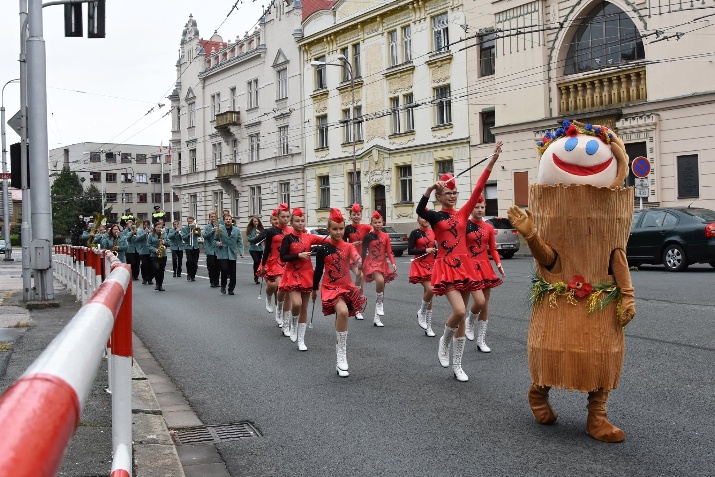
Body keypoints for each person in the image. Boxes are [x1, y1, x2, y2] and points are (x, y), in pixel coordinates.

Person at [507, 120, 635, 442]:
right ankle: (538, 393)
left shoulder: (611, 218)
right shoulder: (554, 212)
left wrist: (628, 296)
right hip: (559, 296)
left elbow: (617, 257)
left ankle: (598, 416)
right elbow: (551, 260)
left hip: (599, 299)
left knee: (603, 355)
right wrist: (532, 235)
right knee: (553, 349)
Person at [416, 141, 502, 382]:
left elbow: (479, 187)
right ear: (440, 196)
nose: (453, 196)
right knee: (460, 311)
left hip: (466, 266)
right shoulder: (434, 215)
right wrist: (431, 187)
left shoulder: (463, 213)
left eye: (455, 193)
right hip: (446, 266)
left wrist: (492, 161)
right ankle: (444, 340)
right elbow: (420, 209)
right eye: (448, 193)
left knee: (463, 316)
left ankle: (457, 365)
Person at [313, 208, 366, 377]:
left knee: (341, 316)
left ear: (345, 229)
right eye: (335, 229)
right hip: (330, 287)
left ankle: (340, 351)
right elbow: (319, 271)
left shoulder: (349, 246)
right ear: (328, 230)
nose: (338, 232)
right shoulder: (323, 249)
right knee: (342, 312)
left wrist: (359, 261)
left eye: (341, 228)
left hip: (346, 286)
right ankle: (341, 356)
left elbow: (355, 255)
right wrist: (314, 288)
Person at [279, 208, 325, 348]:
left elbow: (325, 241)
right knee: (297, 304)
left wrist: (344, 242)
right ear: (292, 223)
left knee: (304, 307)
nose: (300, 223)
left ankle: (301, 339)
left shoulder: (309, 237)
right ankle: (293, 325)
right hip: (292, 274)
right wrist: (298, 255)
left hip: (307, 274)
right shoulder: (288, 238)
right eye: (297, 221)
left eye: (302, 221)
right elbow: (283, 257)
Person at [465, 197, 505, 352]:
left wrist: (498, 264)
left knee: (485, 305)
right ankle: (469, 321)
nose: (480, 210)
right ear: (471, 208)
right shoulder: (466, 225)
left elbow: (493, 249)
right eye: (476, 207)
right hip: (469, 266)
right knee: (478, 301)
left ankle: (481, 340)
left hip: (485, 267)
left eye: (482, 207)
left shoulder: (488, 227)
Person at [257, 204, 293, 329]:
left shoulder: (291, 231)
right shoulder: (271, 231)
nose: (285, 219)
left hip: (286, 262)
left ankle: (280, 312)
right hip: (273, 262)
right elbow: (266, 249)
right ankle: (268, 298)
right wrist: (262, 265)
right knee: (278, 286)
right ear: (278, 217)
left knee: (283, 290)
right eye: (283, 216)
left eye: (288, 217)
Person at [361, 211, 397, 327]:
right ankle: (380, 303)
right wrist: (361, 264)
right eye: (375, 222)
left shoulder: (386, 236)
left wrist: (393, 263)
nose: (377, 224)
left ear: (383, 223)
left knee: (382, 289)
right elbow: (363, 251)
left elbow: (389, 251)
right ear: (371, 223)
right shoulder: (368, 236)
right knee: (380, 281)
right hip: (372, 263)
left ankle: (376, 318)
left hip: (383, 263)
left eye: (379, 222)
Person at [408, 216, 437, 336]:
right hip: (419, 265)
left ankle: (428, 327)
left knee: (429, 294)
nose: (425, 219)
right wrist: (426, 250)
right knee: (431, 289)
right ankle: (421, 312)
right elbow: (410, 251)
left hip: (432, 265)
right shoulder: (415, 233)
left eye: (427, 217)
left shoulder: (433, 232)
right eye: (422, 217)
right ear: (418, 220)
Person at [344, 203, 372, 320]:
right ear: (350, 216)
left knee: (361, 282)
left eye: (358, 214)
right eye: (354, 214)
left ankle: (357, 307)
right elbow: (342, 243)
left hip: (362, 257)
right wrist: (351, 244)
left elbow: (373, 230)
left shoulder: (365, 227)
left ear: (361, 215)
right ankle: (353, 296)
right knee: (359, 275)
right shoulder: (347, 228)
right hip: (351, 257)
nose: (356, 216)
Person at [215, 213, 244, 295]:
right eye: (226, 219)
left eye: (229, 219)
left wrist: (241, 252)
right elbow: (214, 240)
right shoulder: (219, 229)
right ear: (224, 221)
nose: (228, 220)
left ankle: (231, 288)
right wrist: (218, 243)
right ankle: (223, 285)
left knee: (232, 272)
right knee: (224, 269)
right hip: (222, 253)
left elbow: (240, 241)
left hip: (232, 253)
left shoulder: (236, 230)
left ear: (232, 220)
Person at [147, 222, 168, 291]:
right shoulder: (151, 235)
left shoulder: (164, 234)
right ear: (155, 228)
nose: (159, 229)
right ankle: (157, 283)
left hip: (163, 254)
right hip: (154, 255)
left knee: (161, 270)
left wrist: (165, 242)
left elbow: (169, 243)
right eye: (158, 227)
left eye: (160, 227)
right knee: (157, 269)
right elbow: (148, 245)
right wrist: (155, 250)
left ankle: (160, 285)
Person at [202, 211, 221, 288]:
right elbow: (204, 236)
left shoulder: (219, 226)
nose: (213, 218)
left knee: (218, 266)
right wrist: (211, 231)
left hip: (218, 249)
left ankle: (217, 281)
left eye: (214, 217)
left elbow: (221, 236)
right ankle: (212, 281)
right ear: (209, 218)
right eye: (212, 217)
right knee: (211, 266)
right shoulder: (207, 227)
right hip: (210, 249)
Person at [181, 216, 201, 282]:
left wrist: (195, 229)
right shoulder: (184, 229)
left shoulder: (196, 227)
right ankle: (189, 273)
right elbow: (183, 237)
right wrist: (189, 234)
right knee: (189, 260)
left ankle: (193, 275)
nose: (190, 223)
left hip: (195, 246)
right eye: (189, 221)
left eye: (191, 221)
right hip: (188, 247)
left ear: (193, 221)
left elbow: (199, 235)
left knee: (195, 262)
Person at [246, 216, 265, 285]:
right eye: (254, 221)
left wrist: (261, 237)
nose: (255, 223)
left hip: (260, 248)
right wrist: (255, 237)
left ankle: (257, 275)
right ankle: (255, 275)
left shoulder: (261, 229)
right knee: (256, 260)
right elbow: (249, 239)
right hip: (252, 248)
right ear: (252, 222)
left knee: (259, 262)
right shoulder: (250, 229)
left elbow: (264, 237)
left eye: (257, 221)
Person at [135, 220, 154, 285]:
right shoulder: (140, 231)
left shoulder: (152, 231)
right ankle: (144, 278)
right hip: (143, 251)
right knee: (144, 265)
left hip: (151, 251)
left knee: (151, 265)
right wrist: (144, 234)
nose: (146, 226)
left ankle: (150, 279)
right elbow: (137, 239)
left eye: (147, 225)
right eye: (145, 225)